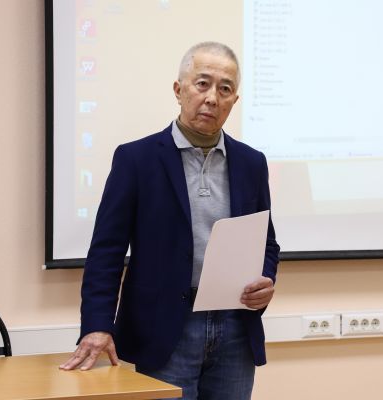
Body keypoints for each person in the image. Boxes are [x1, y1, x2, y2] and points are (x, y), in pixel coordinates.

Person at [60, 42, 280, 400]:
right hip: (164, 331)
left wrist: (266, 279)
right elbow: (106, 251)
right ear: (179, 90)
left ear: (234, 101)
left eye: (225, 89)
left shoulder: (251, 163)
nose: (212, 98)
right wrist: (97, 325)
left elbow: (266, 242)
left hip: (235, 331)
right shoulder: (136, 159)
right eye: (202, 84)